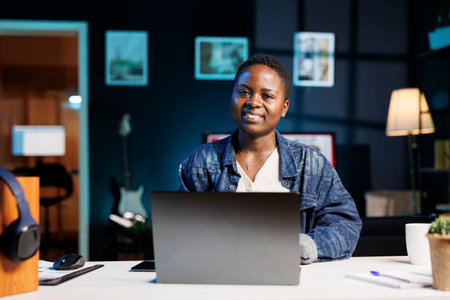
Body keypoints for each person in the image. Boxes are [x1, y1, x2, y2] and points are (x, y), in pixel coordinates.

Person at [178, 54, 362, 264]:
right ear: (232, 97)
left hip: (293, 283)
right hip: (221, 277)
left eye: (267, 96)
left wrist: (305, 246)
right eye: (244, 92)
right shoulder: (202, 161)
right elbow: (181, 230)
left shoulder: (311, 163)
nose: (254, 102)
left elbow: (345, 224)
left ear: (284, 108)